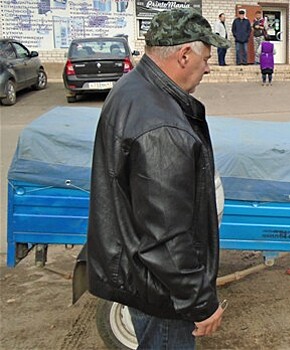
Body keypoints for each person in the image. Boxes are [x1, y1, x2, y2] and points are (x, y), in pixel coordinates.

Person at [86, 8, 231, 349]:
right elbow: (166, 236)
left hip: (142, 276)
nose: (208, 67)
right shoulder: (162, 125)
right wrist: (200, 303)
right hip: (162, 294)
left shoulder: (132, 87)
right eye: (206, 58)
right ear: (184, 55)